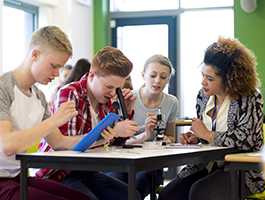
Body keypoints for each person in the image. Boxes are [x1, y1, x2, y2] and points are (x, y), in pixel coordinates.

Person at [158, 37, 265, 200]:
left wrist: (207, 135)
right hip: (206, 165)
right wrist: (196, 138)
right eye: (202, 75)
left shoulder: (250, 97)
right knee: (169, 195)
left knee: (200, 193)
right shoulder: (203, 96)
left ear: (230, 79)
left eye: (210, 79)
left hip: (240, 171)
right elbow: (206, 138)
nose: (203, 82)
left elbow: (247, 141)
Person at [37, 46, 140, 200]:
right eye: (109, 87)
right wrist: (110, 134)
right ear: (92, 75)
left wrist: (128, 111)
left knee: (132, 196)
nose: (113, 93)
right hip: (60, 173)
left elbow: (117, 143)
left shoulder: (106, 100)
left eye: (117, 88)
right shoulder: (70, 94)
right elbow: (67, 148)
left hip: (88, 171)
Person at [0, 26, 91, 200]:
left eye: (60, 67)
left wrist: (99, 136)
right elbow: (8, 145)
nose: (57, 74)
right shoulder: (3, 88)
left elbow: (58, 142)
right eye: (53, 66)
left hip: (19, 178)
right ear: (35, 55)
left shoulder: (39, 96)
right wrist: (54, 120)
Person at [107, 54, 179, 199]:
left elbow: (171, 137)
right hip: (123, 161)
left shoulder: (171, 102)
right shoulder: (129, 98)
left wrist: (166, 139)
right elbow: (116, 140)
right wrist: (145, 133)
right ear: (143, 75)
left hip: (150, 164)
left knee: (135, 192)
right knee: (115, 188)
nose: (157, 81)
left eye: (163, 77)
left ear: (168, 80)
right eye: (153, 75)